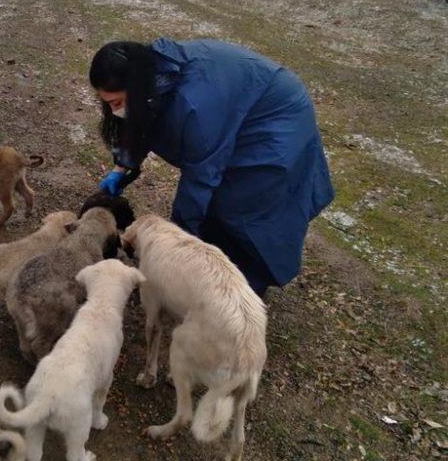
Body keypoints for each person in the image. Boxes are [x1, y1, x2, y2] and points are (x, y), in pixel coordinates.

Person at [89, 38, 334, 296]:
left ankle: (241, 290)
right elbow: (144, 124)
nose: (113, 110)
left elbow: (201, 176)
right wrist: (122, 167)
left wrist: (175, 241)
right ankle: (211, 264)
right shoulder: (152, 79)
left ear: (136, 90)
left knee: (246, 204)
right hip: (236, 105)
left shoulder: (194, 106)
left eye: (116, 103)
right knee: (214, 207)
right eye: (107, 104)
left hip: (276, 121)